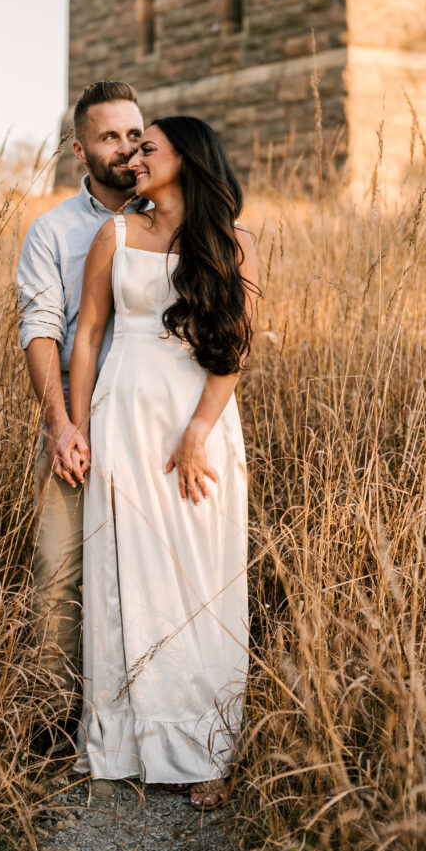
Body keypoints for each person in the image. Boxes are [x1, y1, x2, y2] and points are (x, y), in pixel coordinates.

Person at [69, 116, 259, 808]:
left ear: (187, 158)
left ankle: (206, 749)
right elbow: (88, 334)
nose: (133, 157)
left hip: (197, 419)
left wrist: (198, 431)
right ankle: (125, 741)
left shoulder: (230, 242)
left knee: (201, 574)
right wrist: (77, 423)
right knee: (128, 569)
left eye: (147, 148)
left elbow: (234, 347)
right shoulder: (115, 233)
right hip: (123, 410)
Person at [17, 80, 148, 749]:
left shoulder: (175, 217)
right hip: (80, 420)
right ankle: (51, 719)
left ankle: (145, 714)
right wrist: (60, 423)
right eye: (108, 137)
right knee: (59, 564)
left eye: (134, 134)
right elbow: (41, 326)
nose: (126, 149)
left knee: (150, 564)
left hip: (152, 425)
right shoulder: (54, 231)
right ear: (79, 151)